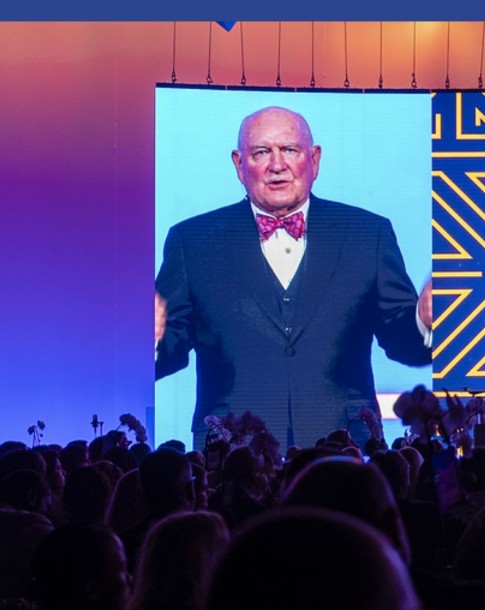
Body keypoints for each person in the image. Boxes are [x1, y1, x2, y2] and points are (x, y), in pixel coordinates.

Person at [155, 106, 433, 445]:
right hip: (232, 454)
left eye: (289, 150)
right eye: (261, 152)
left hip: (346, 449)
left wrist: (422, 320)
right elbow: (169, 350)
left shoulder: (367, 233)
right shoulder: (192, 241)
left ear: (314, 159)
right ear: (239, 165)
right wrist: (146, 340)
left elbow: (404, 343)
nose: (277, 165)